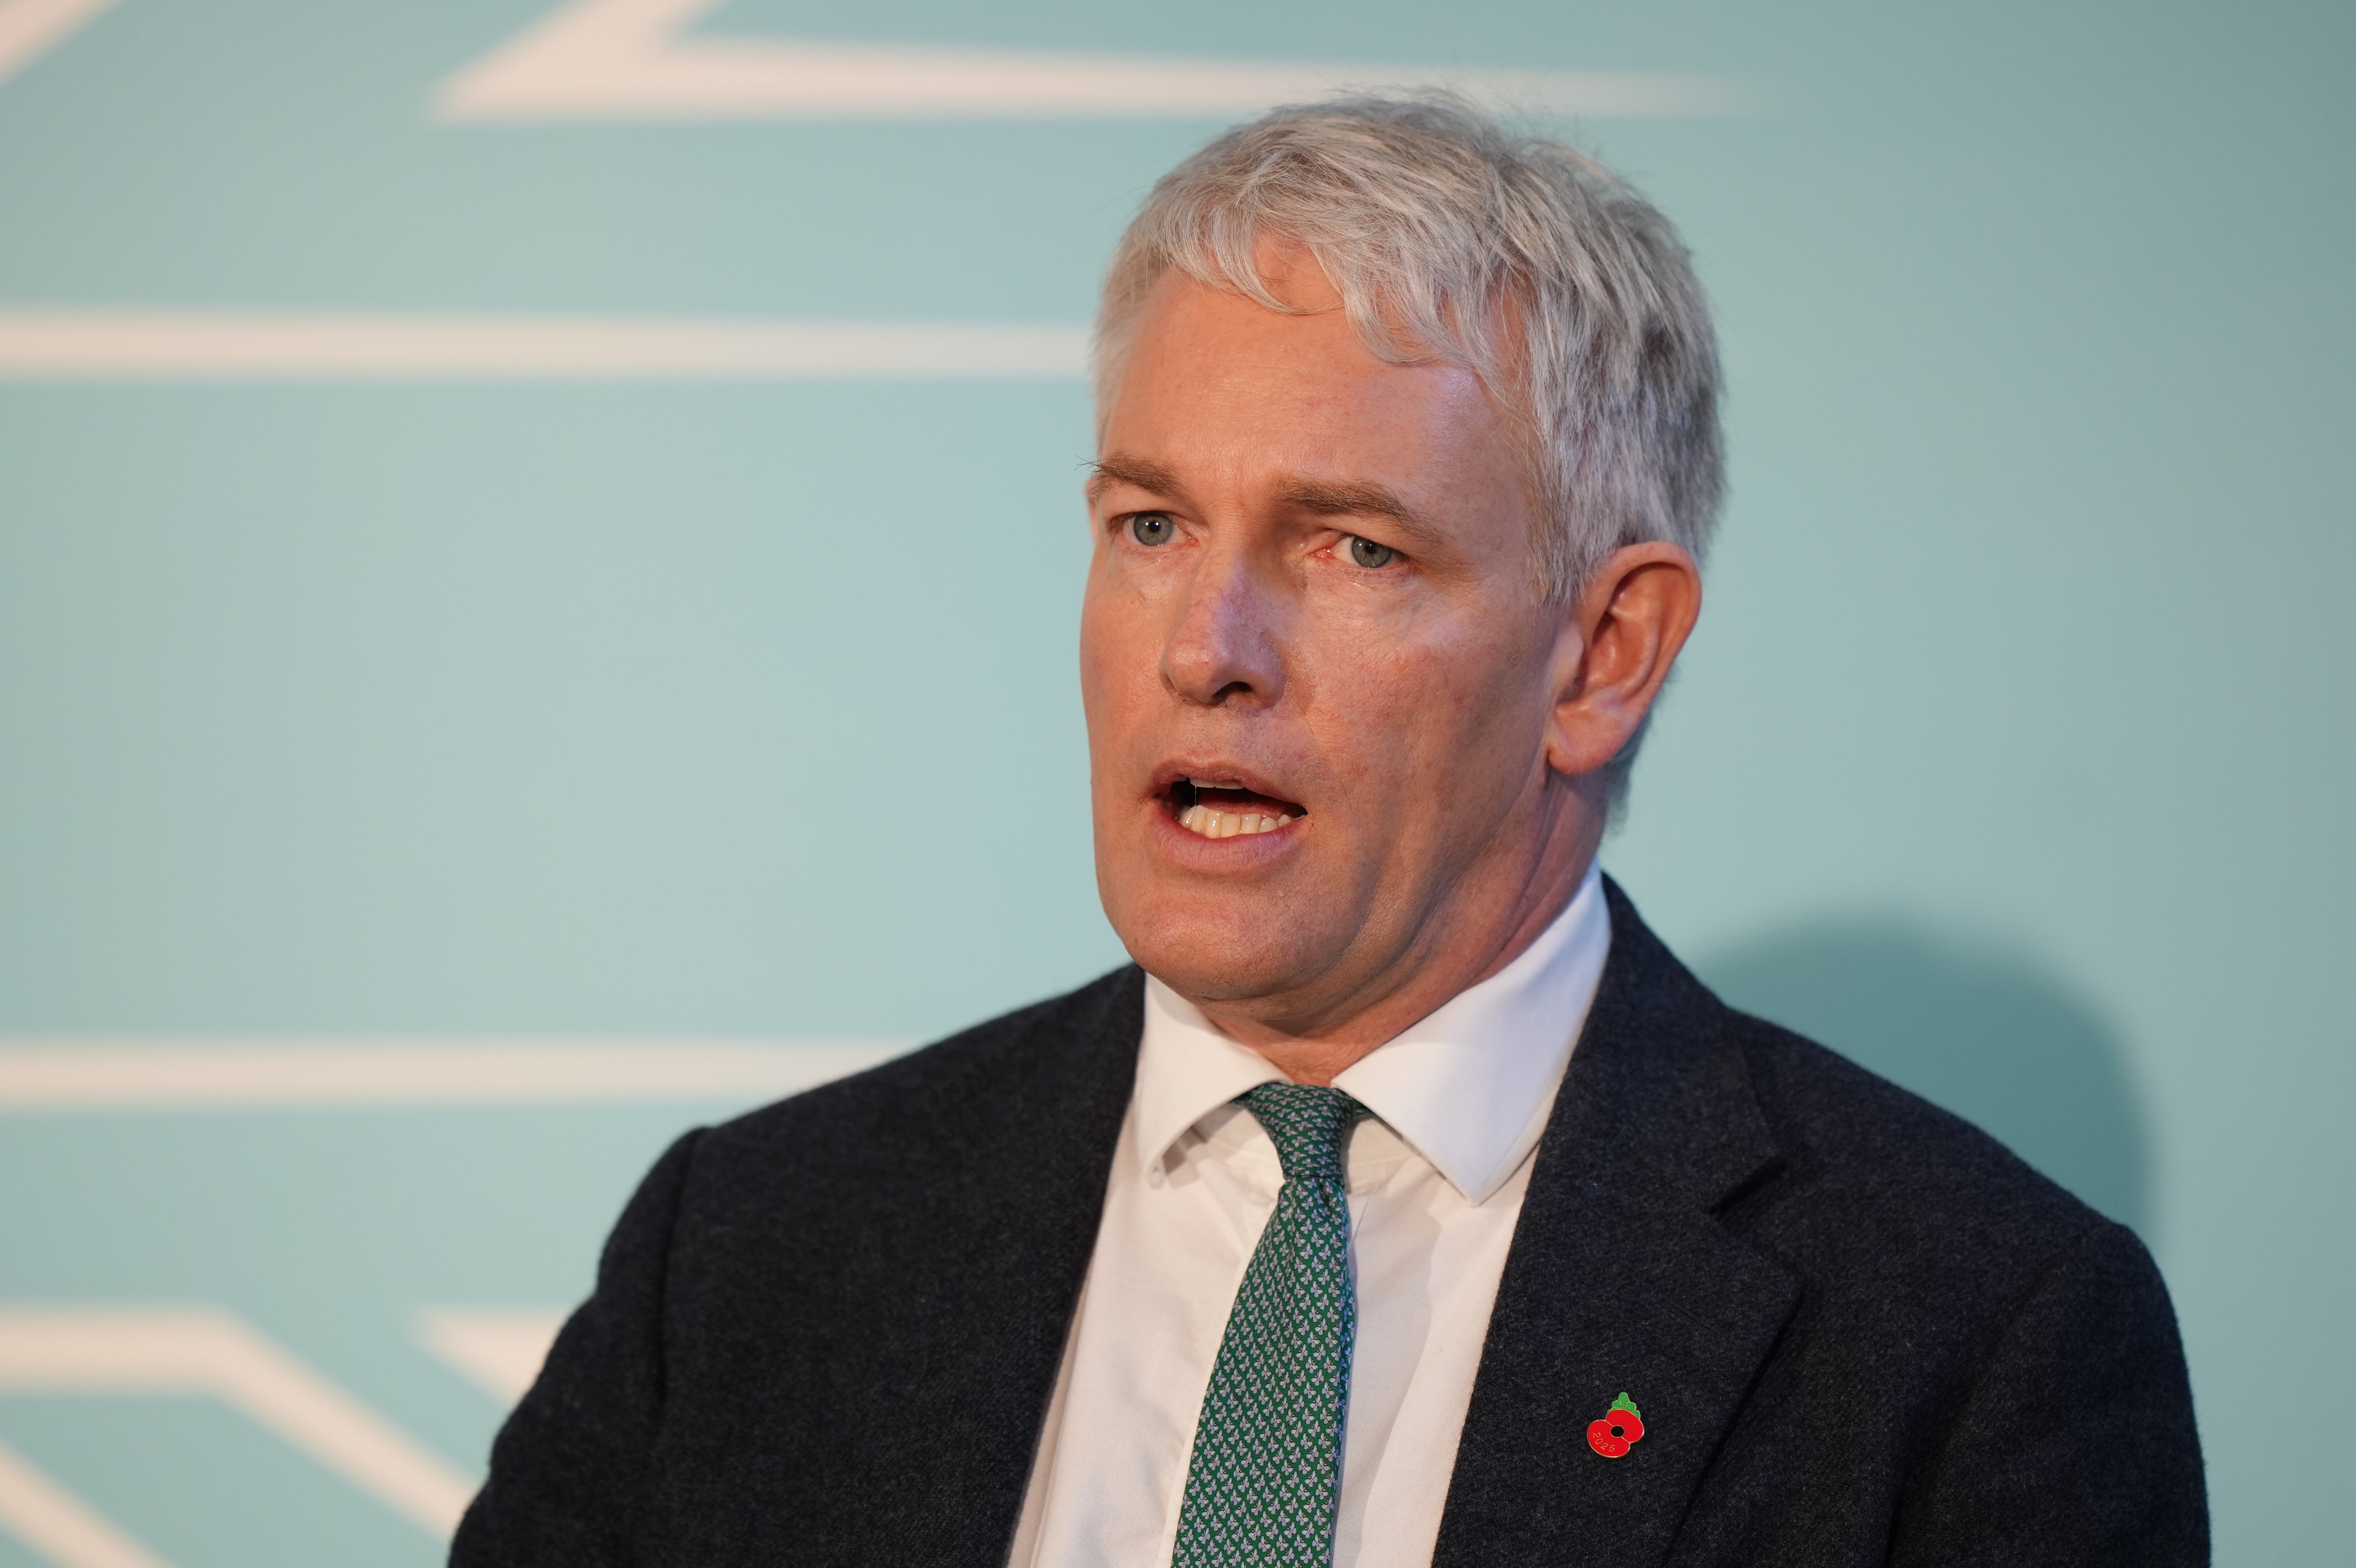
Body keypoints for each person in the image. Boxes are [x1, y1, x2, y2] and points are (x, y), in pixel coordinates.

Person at [449, 94, 2207, 1568]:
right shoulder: (754, 1254)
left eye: (1353, 548)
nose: (1203, 647)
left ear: (1603, 654)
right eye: (1149, 523)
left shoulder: (1972, 1336)